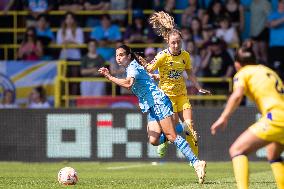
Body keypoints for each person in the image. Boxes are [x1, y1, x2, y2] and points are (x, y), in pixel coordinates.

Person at [99, 44, 207, 184]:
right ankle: (183, 127)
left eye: (121, 55)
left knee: (171, 136)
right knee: (154, 140)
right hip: (151, 105)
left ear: (129, 56)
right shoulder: (132, 67)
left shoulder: (132, 67)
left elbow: (128, 84)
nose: (118, 58)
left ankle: (196, 162)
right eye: (116, 55)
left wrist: (109, 76)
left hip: (158, 102)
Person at [210, 43, 284, 189]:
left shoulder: (242, 73)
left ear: (237, 64)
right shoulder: (268, 70)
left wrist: (223, 117)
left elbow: (237, 96)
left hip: (276, 117)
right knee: (272, 153)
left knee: (236, 150)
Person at [140, 11, 211, 158]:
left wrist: (198, 88)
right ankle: (165, 141)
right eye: (173, 42)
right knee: (172, 130)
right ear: (168, 42)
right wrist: (144, 65)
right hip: (167, 98)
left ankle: (196, 161)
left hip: (182, 95)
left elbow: (189, 73)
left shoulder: (185, 55)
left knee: (190, 127)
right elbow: (148, 69)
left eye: (178, 42)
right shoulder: (162, 56)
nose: (176, 45)